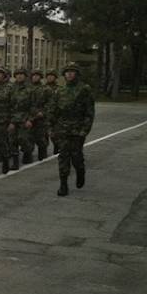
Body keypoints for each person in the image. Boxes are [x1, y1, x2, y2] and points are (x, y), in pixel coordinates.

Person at [49, 63, 95, 196]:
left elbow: (89, 112)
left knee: (76, 157)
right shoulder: (59, 90)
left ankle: (80, 171)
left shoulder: (84, 89)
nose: (69, 74)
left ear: (77, 74)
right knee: (63, 157)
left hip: (77, 129)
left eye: (72, 72)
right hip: (62, 129)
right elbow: (53, 111)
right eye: (67, 72)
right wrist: (51, 128)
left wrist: (84, 131)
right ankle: (63, 185)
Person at [9, 68, 34, 169]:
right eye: (17, 74)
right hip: (13, 118)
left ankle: (28, 152)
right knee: (12, 140)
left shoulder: (30, 89)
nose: (19, 76)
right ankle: (15, 162)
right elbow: (7, 104)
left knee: (23, 138)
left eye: (22, 74)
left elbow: (33, 105)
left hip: (24, 117)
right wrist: (9, 120)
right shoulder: (11, 88)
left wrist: (30, 119)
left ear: (25, 76)